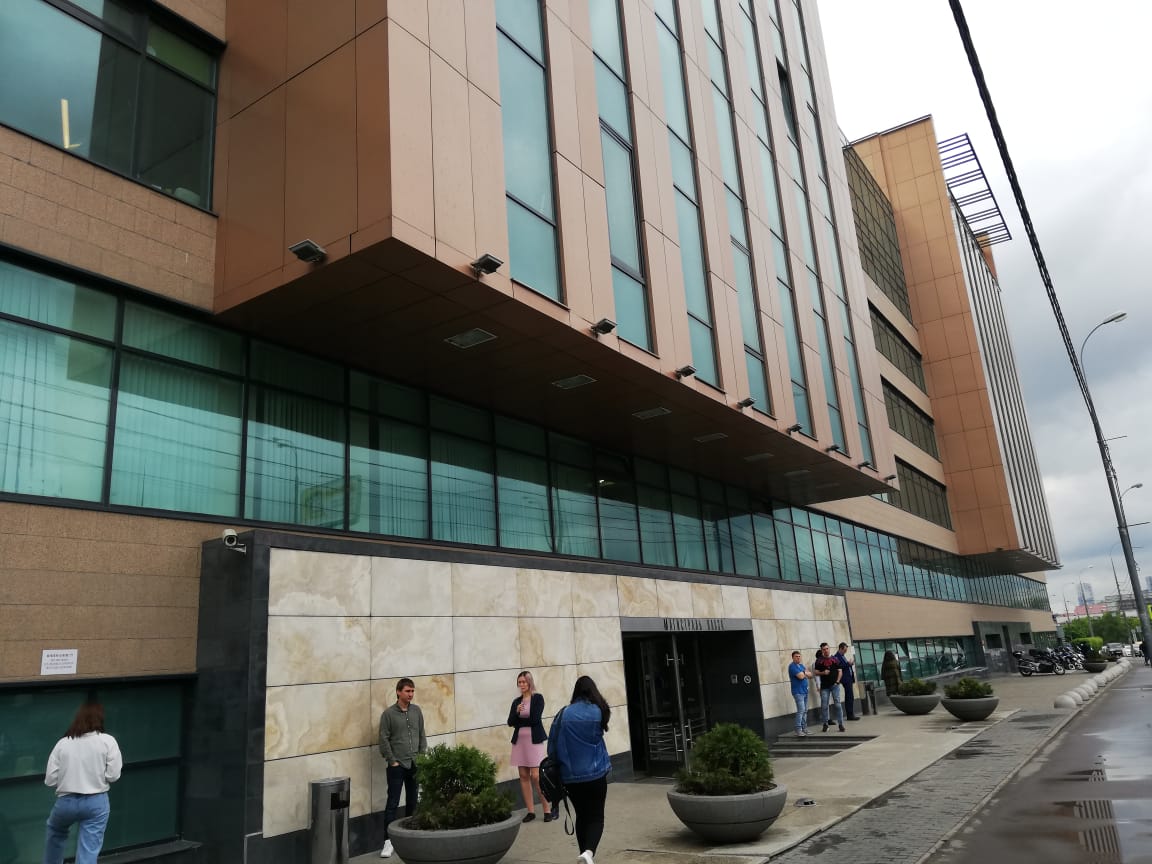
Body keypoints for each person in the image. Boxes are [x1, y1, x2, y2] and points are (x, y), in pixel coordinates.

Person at [43, 702, 123, 864]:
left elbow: (50, 780)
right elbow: (113, 776)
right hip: (96, 802)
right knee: (89, 849)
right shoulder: (108, 741)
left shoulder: (63, 743)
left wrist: (68, 779)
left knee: (55, 832)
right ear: (100, 719)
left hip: (66, 801)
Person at [547, 676, 611, 864]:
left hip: (571, 778)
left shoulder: (563, 714)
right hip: (597, 774)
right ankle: (588, 853)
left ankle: (583, 854)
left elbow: (552, 748)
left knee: (582, 816)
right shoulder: (599, 711)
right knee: (596, 817)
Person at [378, 678, 426, 859]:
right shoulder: (388, 714)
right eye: (407, 691)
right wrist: (392, 761)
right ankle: (388, 842)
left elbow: (422, 734)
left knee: (413, 802)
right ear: (398, 692)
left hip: (414, 764)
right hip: (397, 765)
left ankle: (410, 838)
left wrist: (421, 756)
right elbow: (383, 739)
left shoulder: (417, 711)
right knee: (393, 803)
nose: (411, 694)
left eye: (412, 691)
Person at [508, 670, 553, 823]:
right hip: (520, 742)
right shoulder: (516, 702)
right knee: (523, 775)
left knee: (536, 776)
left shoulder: (538, 698)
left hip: (534, 741)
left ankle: (547, 809)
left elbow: (535, 719)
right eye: (519, 682)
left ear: (529, 683)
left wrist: (520, 719)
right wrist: (517, 712)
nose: (521, 685)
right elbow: (510, 722)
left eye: (524, 682)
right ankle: (531, 811)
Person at [813, 643, 844, 733]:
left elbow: (840, 671)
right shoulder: (819, 661)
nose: (826, 650)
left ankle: (841, 724)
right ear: (821, 650)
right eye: (824, 649)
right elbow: (815, 672)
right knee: (824, 705)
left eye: (827, 648)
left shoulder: (835, 659)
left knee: (837, 704)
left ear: (829, 649)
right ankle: (825, 724)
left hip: (835, 685)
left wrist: (837, 682)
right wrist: (823, 673)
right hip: (824, 686)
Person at [788, 651, 813, 736]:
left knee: (805, 711)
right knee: (801, 710)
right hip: (798, 692)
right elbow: (801, 676)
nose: (798, 658)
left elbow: (811, 675)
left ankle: (804, 728)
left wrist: (804, 673)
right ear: (793, 657)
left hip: (805, 691)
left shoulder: (801, 666)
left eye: (799, 656)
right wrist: (805, 673)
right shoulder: (792, 666)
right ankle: (798, 729)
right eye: (796, 656)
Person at [835, 642, 861, 721]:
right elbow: (840, 667)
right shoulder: (837, 657)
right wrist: (849, 664)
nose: (845, 652)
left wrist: (849, 664)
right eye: (844, 650)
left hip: (849, 678)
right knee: (849, 696)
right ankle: (850, 715)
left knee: (850, 696)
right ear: (841, 648)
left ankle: (851, 713)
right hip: (845, 679)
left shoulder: (842, 656)